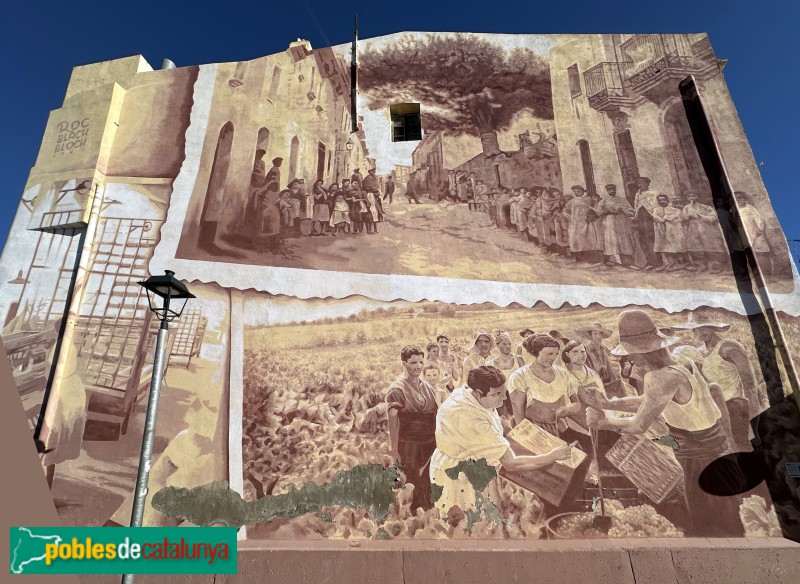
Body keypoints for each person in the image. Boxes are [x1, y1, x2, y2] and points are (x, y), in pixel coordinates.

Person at [584, 309, 745, 537]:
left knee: (710, 518)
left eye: (632, 354)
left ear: (646, 351)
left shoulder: (660, 378)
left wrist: (603, 421)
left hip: (701, 456)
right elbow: (649, 401)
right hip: (712, 450)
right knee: (723, 510)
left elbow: (638, 425)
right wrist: (610, 403)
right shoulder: (681, 363)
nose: (630, 359)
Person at [429, 366, 571, 515]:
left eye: (504, 393)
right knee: (470, 522)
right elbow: (510, 463)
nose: (503, 399)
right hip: (460, 477)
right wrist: (552, 456)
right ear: (478, 393)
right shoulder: (469, 418)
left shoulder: (466, 392)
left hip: (469, 464)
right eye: (497, 394)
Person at [672, 313, 765, 452]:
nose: (701, 332)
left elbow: (750, 386)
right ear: (693, 331)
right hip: (715, 412)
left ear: (713, 328)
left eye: (705, 327)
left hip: (736, 409)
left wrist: (754, 425)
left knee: (746, 451)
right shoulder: (697, 353)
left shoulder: (729, 347)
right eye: (697, 328)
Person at [386, 346, 439, 513]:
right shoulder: (397, 389)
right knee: (413, 481)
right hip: (409, 444)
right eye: (413, 362)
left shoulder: (427, 387)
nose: (418, 366)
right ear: (404, 364)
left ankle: (429, 515)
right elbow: (393, 422)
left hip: (430, 443)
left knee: (430, 480)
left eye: (421, 362)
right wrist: (394, 450)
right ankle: (413, 517)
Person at [507, 334, 582, 436]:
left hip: (560, 428)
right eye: (549, 353)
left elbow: (577, 404)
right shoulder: (519, 376)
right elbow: (519, 417)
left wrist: (565, 410)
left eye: (556, 353)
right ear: (537, 352)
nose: (553, 358)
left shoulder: (562, 373)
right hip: (534, 432)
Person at [575, 322, 626, 398]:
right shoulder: (587, 351)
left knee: (620, 387)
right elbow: (588, 371)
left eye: (600, 334)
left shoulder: (603, 348)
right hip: (596, 383)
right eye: (595, 334)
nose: (598, 336)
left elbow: (609, 367)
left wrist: (614, 380)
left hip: (607, 382)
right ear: (591, 336)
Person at [681, 191, 727, 273]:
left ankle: (715, 266)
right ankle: (701, 265)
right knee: (696, 246)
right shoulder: (686, 207)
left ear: (697, 197)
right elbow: (683, 217)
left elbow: (713, 217)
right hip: (693, 228)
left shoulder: (705, 207)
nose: (692, 198)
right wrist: (688, 216)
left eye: (694, 195)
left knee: (710, 245)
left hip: (706, 228)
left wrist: (700, 216)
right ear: (687, 198)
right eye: (689, 196)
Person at [594, 183, 635, 267]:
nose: (612, 191)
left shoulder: (622, 200)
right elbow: (599, 212)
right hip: (609, 221)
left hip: (621, 221)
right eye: (610, 190)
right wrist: (606, 212)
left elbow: (631, 210)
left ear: (615, 189)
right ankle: (610, 260)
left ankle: (626, 261)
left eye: (613, 189)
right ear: (607, 191)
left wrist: (623, 210)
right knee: (611, 239)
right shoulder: (604, 201)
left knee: (623, 239)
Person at [486, 330, 524, 418]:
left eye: (509, 344)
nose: (508, 346)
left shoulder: (518, 359)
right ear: (497, 345)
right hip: (500, 399)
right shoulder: (490, 364)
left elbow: (526, 380)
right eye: (504, 344)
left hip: (517, 397)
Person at [563, 185, 603, 264]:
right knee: (575, 240)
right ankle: (578, 258)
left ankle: (590, 259)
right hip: (574, 223)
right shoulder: (571, 202)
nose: (577, 193)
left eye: (578, 191)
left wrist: (592, 216)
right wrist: (569, 216)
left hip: (586, 222)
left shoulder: (588, 199)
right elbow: (565, 211)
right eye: (575, 192)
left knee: (587, 239)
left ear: (582, 191)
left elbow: (595, 207)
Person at [735, 191, 773, 275]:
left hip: (753, 232)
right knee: (744, 252)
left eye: (740, 198)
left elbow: (759, 218)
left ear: (745, 199)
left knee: (758, 251)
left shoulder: (749, 208)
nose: (737, 200)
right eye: (736, 198)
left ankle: (764, 272)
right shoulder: (734, 210)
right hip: (741, 234)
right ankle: (748, 271)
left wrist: (759, 228)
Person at [652, 194, 687, 272]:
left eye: (663, 200)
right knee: (665, 247)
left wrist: (666, 218)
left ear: (667, 200)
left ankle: (679, 263)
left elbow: (676, 217)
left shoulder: (673, 209)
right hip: (661, 230)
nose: (662, 202)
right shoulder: (656, 209)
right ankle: (669, 263)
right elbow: (654, 217)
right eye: (660, 200)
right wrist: (661, 219)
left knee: (674, 246)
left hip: (672, 230)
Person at [632, 177, 660, 269]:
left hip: (650, 217)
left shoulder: (654, 193)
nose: (640, 185)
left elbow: (656, 205)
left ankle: (657, 262)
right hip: (641, 218)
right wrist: (636, 216)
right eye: (639, 183)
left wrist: (652, 213)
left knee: (652, 238)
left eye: (642, 183)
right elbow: (636, 206)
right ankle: (649, 262)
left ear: (648, 184)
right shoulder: (637, 194)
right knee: (643, 239)